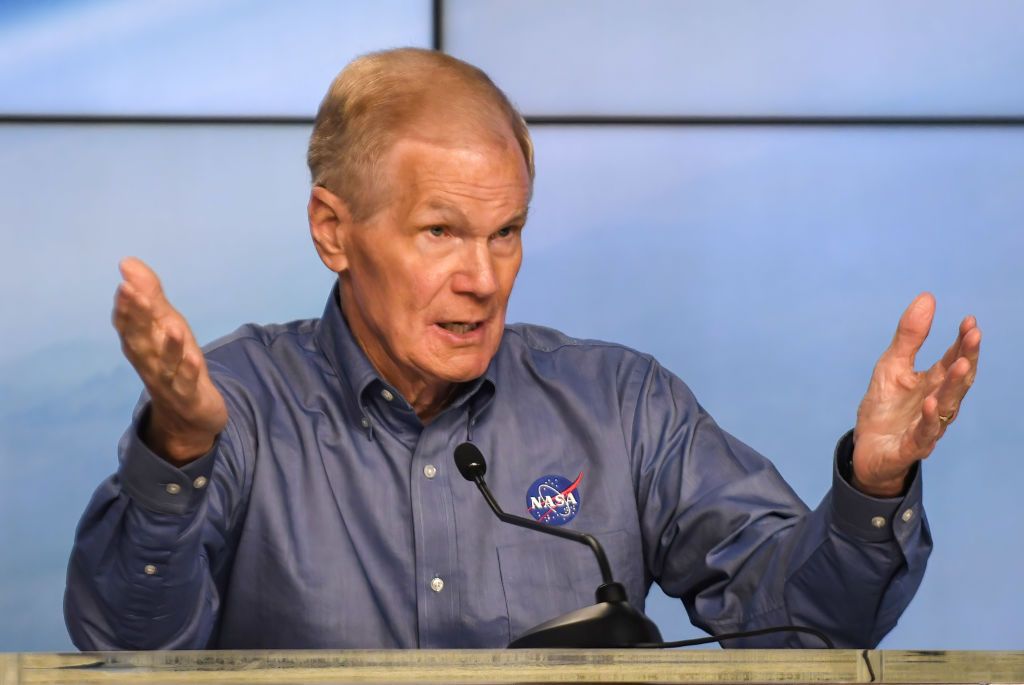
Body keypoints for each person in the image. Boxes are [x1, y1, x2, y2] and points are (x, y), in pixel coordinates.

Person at [65, 48, 981, 650]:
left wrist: (873, 486)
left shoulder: (620, 404)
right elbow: (125, 647)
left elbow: (808, 627)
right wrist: (177, 449)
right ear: (333, 231)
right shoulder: (239, 400)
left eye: (506, 232)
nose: (484, 277)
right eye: (439, 232)